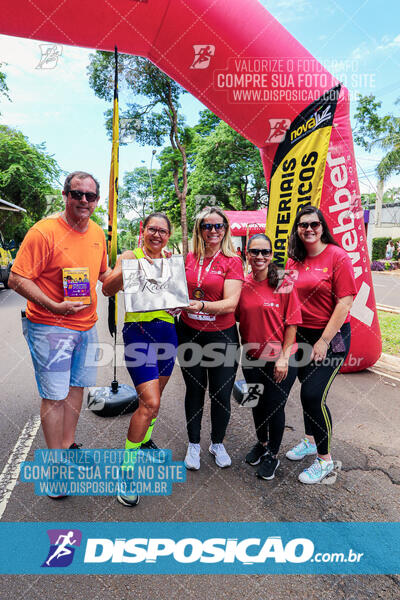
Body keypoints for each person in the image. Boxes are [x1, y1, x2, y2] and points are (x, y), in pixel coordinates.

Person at [8, 171, 110, 497]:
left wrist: (138, 268)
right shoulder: (44, 232)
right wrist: (54, 305)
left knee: (77, 388)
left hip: (86, 327)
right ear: (65, 195)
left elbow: (105, 275)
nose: (83, 201)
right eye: (77, 194)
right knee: (54, 396)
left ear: (96, 202)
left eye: (90, 196)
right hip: (51, 328)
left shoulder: (97, 233)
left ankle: (68, 447)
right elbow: (16, 279)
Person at [102, 212, 177, 507]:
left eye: (163, 231)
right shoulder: (128, 255)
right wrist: (133, 266)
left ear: (168, 236)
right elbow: (108, 288)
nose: (157, 235)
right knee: (151, 403)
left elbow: (177, 297)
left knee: (156, 396)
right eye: (152, 229)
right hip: (139, 334)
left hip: (168, 334)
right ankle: (127, 472)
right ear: (142, 231)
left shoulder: (172, 261)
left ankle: (145, 440)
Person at [285, 205, 357, 484]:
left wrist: (324, 340)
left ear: (322, 226)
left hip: (332, 337)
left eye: (314, 224)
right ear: (297, 229)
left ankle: (325, 460)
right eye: (303, 225)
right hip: (301, 335)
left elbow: (345, 302)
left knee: (313, 396)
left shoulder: (337, 256)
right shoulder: (294, 259)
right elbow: (284, 295)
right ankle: (310, 440)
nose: (309, 229)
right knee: (305, 391)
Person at [177, 206, 244, 470]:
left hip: (221, 337)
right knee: (194, 391)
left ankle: (217, 442)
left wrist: (201, 306)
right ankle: (193, 444)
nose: (213, 231)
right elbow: (176, 290)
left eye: (218, 226)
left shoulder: (233, 260)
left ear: (225, 229)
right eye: (207, 226)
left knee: (221, 393)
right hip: (190, 334)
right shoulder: (189, 257)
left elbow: (230, 304)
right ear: (199, 230)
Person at [236, 234, 302, 480]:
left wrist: (284, 358)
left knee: (274, 407)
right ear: (247, 254)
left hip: (280, 358)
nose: (260, 257)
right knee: (256, 402)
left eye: (265, 252)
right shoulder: (241, 283)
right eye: (255, 252)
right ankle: (262, 443)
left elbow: (292, 324)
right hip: (251, 357)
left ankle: (273, 455)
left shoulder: (284, 281)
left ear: (272, 255)